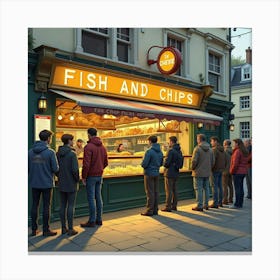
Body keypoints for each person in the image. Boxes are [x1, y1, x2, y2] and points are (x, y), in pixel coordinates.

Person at [28, 129, 59, 236]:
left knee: (34, 205)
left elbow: (27, 168)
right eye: (51, 138)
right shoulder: (50, 152)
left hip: (34, 183)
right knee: (46, 206)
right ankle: (46, 230)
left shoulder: (30, 152)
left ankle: (34, 229)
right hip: (47, 183)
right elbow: (55, 168)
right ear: (48, 139)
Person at [80, 128, 108, 227]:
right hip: (99, 175)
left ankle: (92, 220)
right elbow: (106, 163)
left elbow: (86, 164)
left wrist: (84, 177)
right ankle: (99, 219)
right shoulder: (103, 147)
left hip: (91, 176)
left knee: (91, 198)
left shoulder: (88, 147)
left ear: (89, 135)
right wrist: (100, 169)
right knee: (99, 197)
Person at [56, 134, 79, 236]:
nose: (73, 142)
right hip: (71, 183)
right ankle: (70, 229)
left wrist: (59, 176)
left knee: (62, 205)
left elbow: (55, 168)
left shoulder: (57, 153)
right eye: (72, 140)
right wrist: (77, 179)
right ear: (69, 141)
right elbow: (75, 170)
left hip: (61, 182)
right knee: (71, 205)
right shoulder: (72, 154)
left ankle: (63, 228)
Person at [141, 135, 163, 216]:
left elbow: (144, 164)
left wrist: (142, 163)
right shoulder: (160, 151)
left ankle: (149, 210)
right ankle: (155, 209)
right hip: (156, 173)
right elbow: (161, 163)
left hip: (149, 173)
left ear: (150, 141)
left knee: (150, 192)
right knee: (156, 191)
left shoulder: (149, 151)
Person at [191, 134, 214, 211]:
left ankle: (199, 205)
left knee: (198, 189)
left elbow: (194, 161)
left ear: (200, 139)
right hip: (207, 172)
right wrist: (209, 168)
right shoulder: (210, 149)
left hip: (198, 172)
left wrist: (192, 168)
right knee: (206, 188)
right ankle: (206, 204)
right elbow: (213, 161)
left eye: (197, 139)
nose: (197, 140)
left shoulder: (197, 149)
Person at [161, 136, 183, 212]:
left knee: (169, 190)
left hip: (169, 172)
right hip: (176, 172)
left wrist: (164, 162)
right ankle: (174, 205)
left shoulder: (170, 150)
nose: (168, 143)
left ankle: (168, 206)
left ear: (171, 142)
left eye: (169, 141)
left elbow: (166, 163)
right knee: (175, 190)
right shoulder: (179, 151)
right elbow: (181, 163)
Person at [230, 138, 249, 208]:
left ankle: (237, 204)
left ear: (237, 144)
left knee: (237, 188)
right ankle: (240, 203)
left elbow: (235, 164)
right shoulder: (244, 151)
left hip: (237, 172)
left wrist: (232, 171)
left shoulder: (237, 151)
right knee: (241, 188)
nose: (233, 144)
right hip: (243, 171)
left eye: (234, 143)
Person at [209, 136, 226, 208]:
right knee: (220, 186)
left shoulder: (214, 150)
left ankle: (215, 203)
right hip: (221, 169)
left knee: (214, 186)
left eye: (212, 141)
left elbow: (213, 160)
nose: (211, 142)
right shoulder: (222, 149)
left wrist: (210, 168)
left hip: (215, 170)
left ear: (215, 141)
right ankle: (220, 202)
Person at [222, 139, 234, 204]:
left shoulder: (225, 151)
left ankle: (225, 199)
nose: (223, 144)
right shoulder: (233, 150)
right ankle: (231, 199)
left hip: (225, 170)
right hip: (231, 170)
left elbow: (223, 161)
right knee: (230, 185)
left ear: (225, 144)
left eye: (223, 143)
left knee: (224, 186)